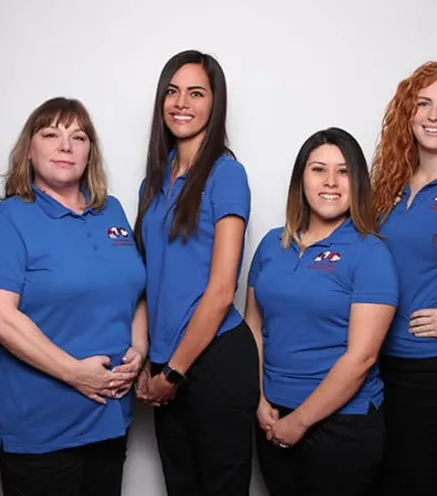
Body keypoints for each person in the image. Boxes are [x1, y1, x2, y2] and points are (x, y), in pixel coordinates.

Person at [0, 97, 147, 496]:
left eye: (77, 136)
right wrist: (74, 373)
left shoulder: (112, 212)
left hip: (109, 416)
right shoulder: (7, 219)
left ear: (89, 152)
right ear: (29, 151)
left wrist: (139, 346)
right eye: (51, 134)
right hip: (40, 424)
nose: (65, 145)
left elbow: (135, 288)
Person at [245, 128, 398, 496]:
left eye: (343, 171)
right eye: (318, 169)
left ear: (357, 181)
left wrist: (299, 422)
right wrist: (259, 399)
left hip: (341, 427)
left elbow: (362, 357)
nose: (331, 181)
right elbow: (254, 325)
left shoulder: (370, 253)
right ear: (302, 179)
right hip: (272, 416)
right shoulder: (271, 244)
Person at [134, 50, 259, 496]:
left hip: (214, 363)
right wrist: (147, 359)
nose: (181, 102)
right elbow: (146, 277)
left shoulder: (227, 174)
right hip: (167, 363)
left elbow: (223, 289)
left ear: (214, 103)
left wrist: (174, 374)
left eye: (195, 93)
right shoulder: (155, 180)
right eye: (172, 91)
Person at [371, 60, 437, 496]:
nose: (434, 116)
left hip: (434, 372)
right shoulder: (390, 184)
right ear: (408, 113)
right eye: (423, 104)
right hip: (381, 365)